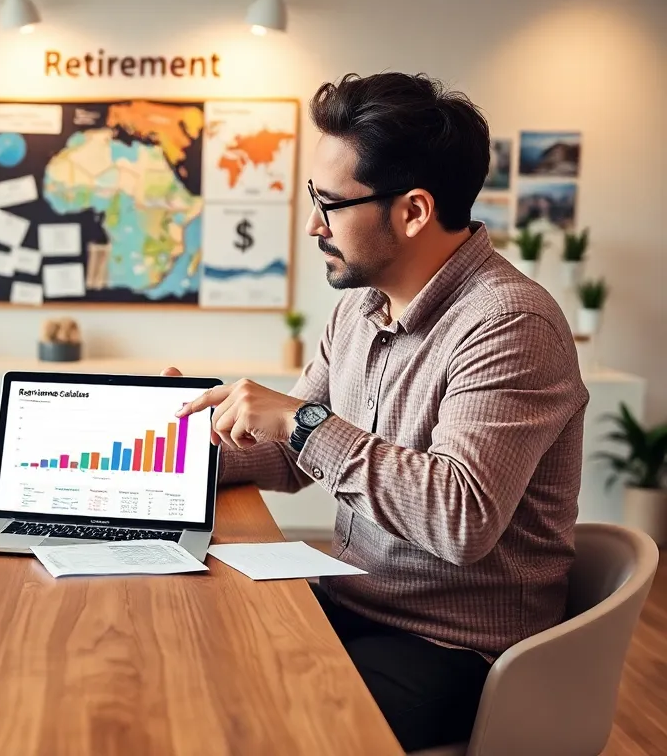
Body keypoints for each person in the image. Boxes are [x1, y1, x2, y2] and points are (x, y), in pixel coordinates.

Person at [166, 73, 588, 751]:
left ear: (414, 211)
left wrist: (301, 421)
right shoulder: (359, 310)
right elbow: (292, 456)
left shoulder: (510, 323)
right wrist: (181, 447)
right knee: (185, 654)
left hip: (455, 646)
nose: (313, 225)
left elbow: (461, 519)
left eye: (330, 204)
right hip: (354, 601)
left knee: (251, 727)